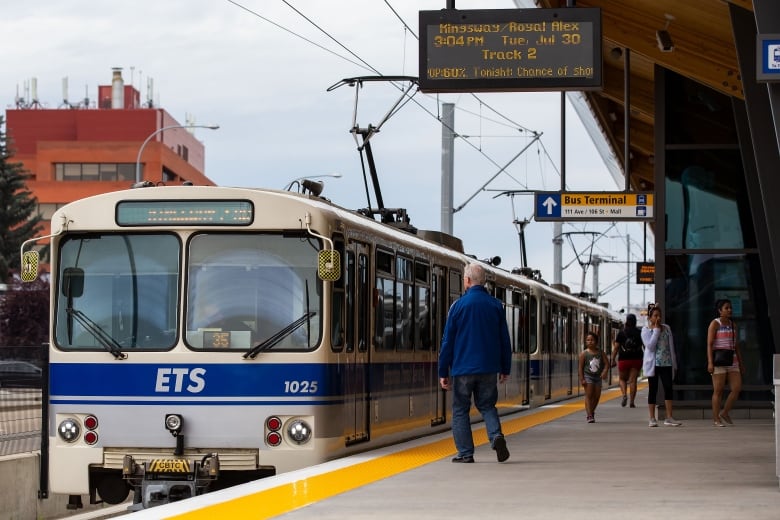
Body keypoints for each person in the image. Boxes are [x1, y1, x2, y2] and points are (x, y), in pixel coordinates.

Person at [439, 263, 511, 464]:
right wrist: (505, 368)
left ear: (468, 281)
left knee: (461, 409)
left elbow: (448, 341)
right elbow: (504, 340)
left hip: (462, 368)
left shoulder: (458, 306)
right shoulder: (496, 306)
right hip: (489, 368)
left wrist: (443, 370)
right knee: (488, 406)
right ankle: (496, 435)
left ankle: (465, 453)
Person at [642, 304, 681, 427]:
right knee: (653, 390)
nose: (658, 318)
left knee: (668, 388)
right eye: (655, 316)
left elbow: (671, 347)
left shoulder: (667, 328)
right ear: (650, 317)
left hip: (666, 363)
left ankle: (669, 417)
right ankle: (652, 418)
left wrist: (674, 363)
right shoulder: (646, 330)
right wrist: (656, 330)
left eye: (660, 316)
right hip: (653, 365)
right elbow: (650, 346)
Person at [707, 299, 743, 427]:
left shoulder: (733, 325)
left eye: (730, 308)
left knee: (736, 388)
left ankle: (725, 412)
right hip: (719, 361)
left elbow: (736, 345)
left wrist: (740, 362)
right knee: (719, 390)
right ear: (719, 310)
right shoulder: (715, 324)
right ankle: (716, 418)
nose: (730, 310)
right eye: (726, 308)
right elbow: (709, 344)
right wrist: (710, 362)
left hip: (732, 361)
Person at [610, 314, 644, 408]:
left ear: (627, 321)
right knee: (633, 381)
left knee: (622, 379)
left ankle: (624, 395)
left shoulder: (621, 333)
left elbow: (616, 348)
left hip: (624, 359)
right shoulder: (639, 332)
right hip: (636, 359)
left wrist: (612, 359)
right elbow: (645, 346)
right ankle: (632, 402)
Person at [578, 331, 609, 423]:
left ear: (596, 341)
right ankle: (589, 415)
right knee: (589, 395)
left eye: (592, 340)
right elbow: (580, 367)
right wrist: (582, 379)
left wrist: (604, 372)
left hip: (598, 377)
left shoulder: (600, 352)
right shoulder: (584, 354)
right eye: (587, 340)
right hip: (588, 376)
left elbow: (607, 364)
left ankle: (592, 411)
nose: (590, 342)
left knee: (596, 396)